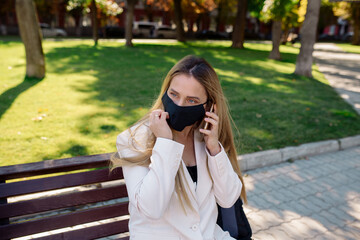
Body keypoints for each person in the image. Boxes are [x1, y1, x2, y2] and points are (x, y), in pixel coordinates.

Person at [111, 55, 247, 240]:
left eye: (191, 100)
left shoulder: (204, 138)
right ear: (165, 92)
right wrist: (165, 143)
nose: (179, 105)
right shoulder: (134, 139)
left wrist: (214, 150)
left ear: (209, 107)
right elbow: (151, 209)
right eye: (174, 95)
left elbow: (228, 199)